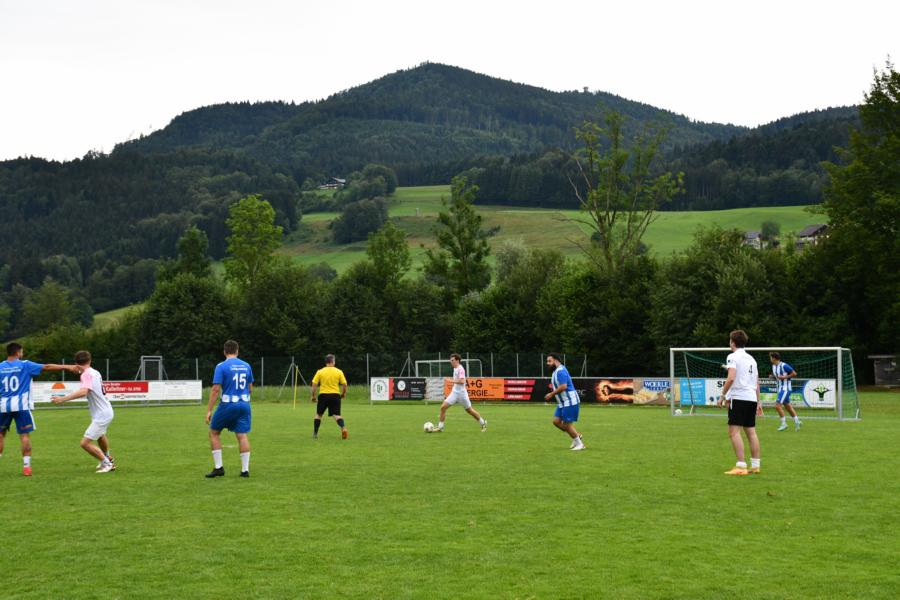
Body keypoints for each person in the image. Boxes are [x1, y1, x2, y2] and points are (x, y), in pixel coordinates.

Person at [1, 343, 78, 476]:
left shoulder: (0, 367)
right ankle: (27, 467)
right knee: (24, 436)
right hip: (22, 406)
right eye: (22, 352)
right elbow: (47, 367)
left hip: (3, 406)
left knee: (1, 435)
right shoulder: (25, 365)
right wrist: (68, 366)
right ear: (18, 353)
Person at [51, 350, 117, 473]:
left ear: (76, 363)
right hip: (105, 410)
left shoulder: (86, 375)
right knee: (100, 435)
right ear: (90, 360)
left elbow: (83, 392)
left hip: (102, 414)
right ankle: (108, 457)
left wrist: (62, 399)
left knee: (85, 444)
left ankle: (107, 464)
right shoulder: (95, 372)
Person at [205, 340, 253, 478]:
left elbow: (215, 389)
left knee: (214, 432)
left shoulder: (221, 366)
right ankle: (245, 470)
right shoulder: (246, 365)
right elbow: (250, 388)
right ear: (237, 351)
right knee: (242, 435)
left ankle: (218, 468)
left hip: (228, 404)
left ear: (224, 351)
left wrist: (209, 410)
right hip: (244, 404)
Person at [717, 330, 762, 475]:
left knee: (734, 432)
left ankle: (741, 466)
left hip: (739, 398)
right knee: (751, 432)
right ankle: (755, 466)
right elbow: (756, 382)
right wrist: (758, 401)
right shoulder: (752, 359)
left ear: (733, 342)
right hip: (751, 398)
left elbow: (731, 378)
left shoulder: (732, 356)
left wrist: (722, 395)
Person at [436, 353, 486, 432]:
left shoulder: (460, 369)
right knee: (443, 407)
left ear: (457, 360)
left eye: (452, 360)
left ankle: (483, 423)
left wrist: (450, 380)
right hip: (454, 393)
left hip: (462, 394)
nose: (451, 362)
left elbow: (462, 381)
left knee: (469, 411)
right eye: (450, 360)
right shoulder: (455, 368)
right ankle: (440, 427)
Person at [545, 353, 585, 451]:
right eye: (547, 361)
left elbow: (563, 386)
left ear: (556, 360)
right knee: (556, 422)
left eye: (549, 361)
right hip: (562, 403)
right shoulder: (556, 371)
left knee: (567, 425)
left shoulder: (560, 371)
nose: (547, 363)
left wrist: (551, 394)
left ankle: (580, 444)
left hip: (570, 401)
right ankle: (577, 436)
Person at [310, 354, 348, 440]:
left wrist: (313, 396)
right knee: (337, 415)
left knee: (319, 415)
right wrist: (343, 393)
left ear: (326, 362)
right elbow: (345, 384)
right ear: (332, 361)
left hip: (323, 395)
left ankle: (315, 434)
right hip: (335, 395)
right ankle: (343, 428)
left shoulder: (320, 372)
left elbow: (314, 385)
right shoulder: (339, 371)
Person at [769, 352, 801, 431]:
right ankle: (797, 421)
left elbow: (794, 373)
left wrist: (785, 377)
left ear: (774, 358)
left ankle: (784, 424)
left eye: (771, 357)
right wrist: (772, 377)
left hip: (785, 389)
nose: (770, 359)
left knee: (777, 406)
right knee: (788, 406)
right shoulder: (773, 366)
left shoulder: (784, 365)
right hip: (780, 388)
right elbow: (778, 377)